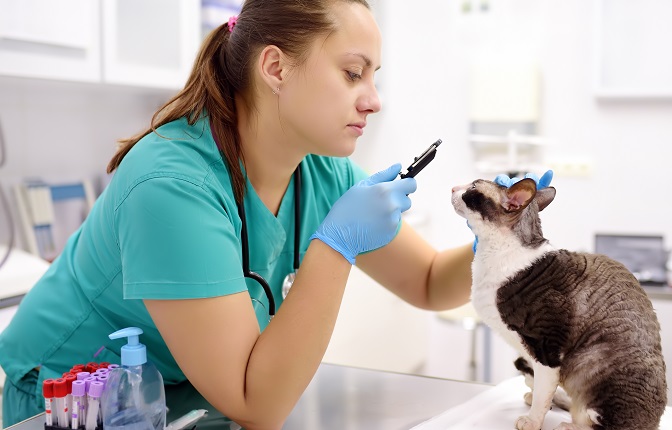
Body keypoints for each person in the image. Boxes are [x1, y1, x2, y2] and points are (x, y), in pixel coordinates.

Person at [0, 1, 551, 428]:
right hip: (72, 404)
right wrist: (335, 247)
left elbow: (429, 283)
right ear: (275, 67)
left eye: (374, 76)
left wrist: (498, 238)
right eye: (353, 73)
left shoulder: (319, 171)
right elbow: (255, 405)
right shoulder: (171, 186)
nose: (373, 99)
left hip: (181, 398)